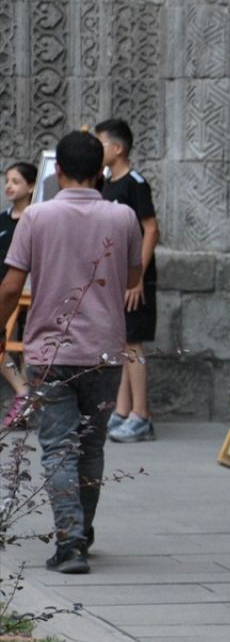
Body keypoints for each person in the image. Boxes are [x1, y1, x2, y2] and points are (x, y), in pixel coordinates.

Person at [0, 131, 142, 573]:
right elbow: (133, 274)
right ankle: (82, 529)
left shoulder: (36, 218)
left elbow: (10, 286)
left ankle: (70, 541)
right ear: (100, 172)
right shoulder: (123, 218)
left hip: (49, 349)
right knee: (92, 445)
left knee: (58, 446)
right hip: (104, 350)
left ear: (56, 171)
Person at [95, 119, 159, 443]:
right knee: (119, 343)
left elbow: (151, 229)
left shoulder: (135, 183)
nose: (97, 149)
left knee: (133, 343)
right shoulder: (106, 184)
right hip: (114, 277)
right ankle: (121, 411)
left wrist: (138, 279)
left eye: (101, 143)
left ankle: (141, 415)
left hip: (134, 279)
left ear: (118, 148)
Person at [0, 162, 36, 427]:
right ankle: (22, 391)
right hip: (4, 292)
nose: (9, 186)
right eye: (7, 180)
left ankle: (27, 397)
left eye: (16, 181)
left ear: (31, 186)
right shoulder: (2, 219)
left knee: (27, 347)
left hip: (29, 290)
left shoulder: (37, 218)